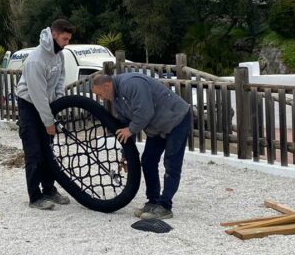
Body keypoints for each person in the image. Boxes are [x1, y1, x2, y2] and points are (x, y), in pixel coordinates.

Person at [90, 71, 192, 220]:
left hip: (176, 119)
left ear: (107, 85)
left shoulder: (131, 83)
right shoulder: (117, 98)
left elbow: (145, 112)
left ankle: (165, 206)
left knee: (171, 163)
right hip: (157, 126)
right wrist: (125, 154)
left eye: (100, 94)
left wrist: (131, 129)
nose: (101, 98)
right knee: (148, 160)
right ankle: (153, 201)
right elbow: (125, 125)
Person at [14, 19, 75, 210]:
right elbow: (37, 94)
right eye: (64, 39)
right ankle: (35, 197)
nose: (67, 43)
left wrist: (58, 103)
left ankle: (49, 189)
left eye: (69, 40)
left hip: (47, 105)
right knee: (34, 152)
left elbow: (59, 80)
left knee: (48, 150)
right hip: (30, 105)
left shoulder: (59, 56)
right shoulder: (36, 60)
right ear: (54, 35)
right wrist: (48, 122)